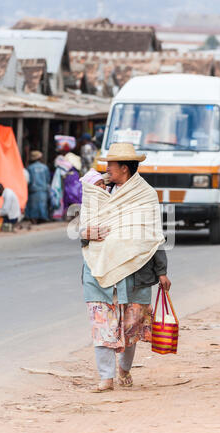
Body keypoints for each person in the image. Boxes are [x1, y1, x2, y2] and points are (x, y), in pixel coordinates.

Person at [81, 143, 171, 392]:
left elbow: (153, 236)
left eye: (110, 164)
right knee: (102, 324)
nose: (106, 169)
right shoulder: (97, 191)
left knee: (131, 328)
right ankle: (106, 378)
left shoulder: (146, 196)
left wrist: (161, 272)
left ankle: (124, 369)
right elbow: (83, 227)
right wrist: (86, 233)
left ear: (124, 168)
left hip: (136, 273)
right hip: (98, 271)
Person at [25, 150, 51, 223]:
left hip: (33, 190)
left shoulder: (30, 168)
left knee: (33, 207)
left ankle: (34, 220)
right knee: (43, 206)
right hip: (43, 190)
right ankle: (42, 220)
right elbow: (48, 179)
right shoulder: (45, 167)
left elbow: (28, 180)